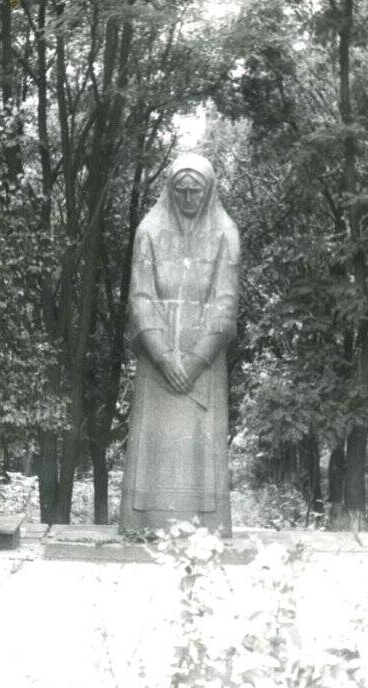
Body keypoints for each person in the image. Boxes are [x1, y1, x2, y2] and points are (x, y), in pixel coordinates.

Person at [119, 153, 240, 537]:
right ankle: (146, 522)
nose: (188, 198)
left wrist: (197, 359)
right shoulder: (149, 232)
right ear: (170, 191)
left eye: (196, 191)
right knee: (154, 449)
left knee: (201, 452)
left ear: (208, 192)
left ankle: (205, 526)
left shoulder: (225, 232)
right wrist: (161, 355)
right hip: (157, 360)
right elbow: (140, 297)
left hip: (204, 361)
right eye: (181, 190)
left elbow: (225, 301)